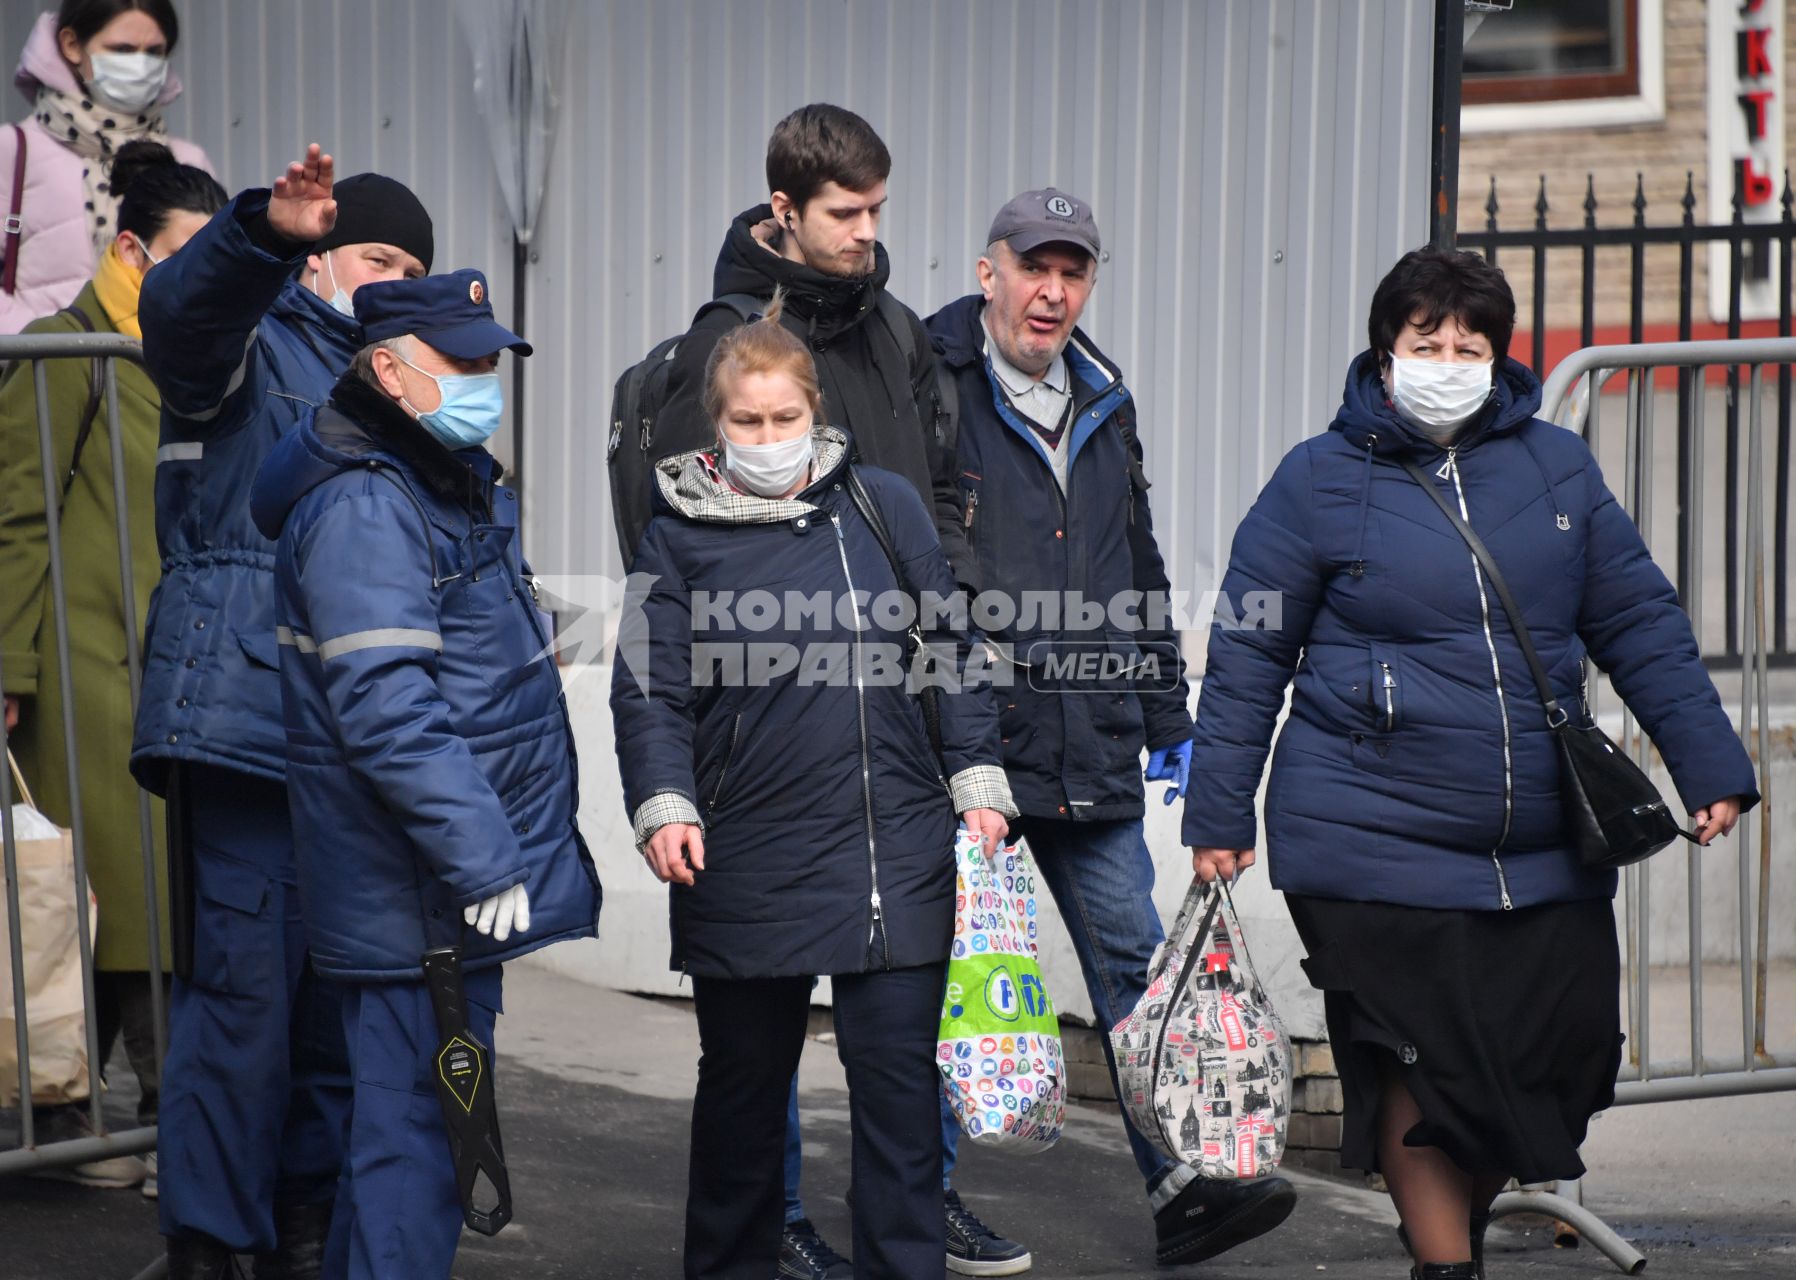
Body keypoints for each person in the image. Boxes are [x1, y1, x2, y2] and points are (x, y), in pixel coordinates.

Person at [1184, 246, 1759, 1280]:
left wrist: (1705, 759)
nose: (1445, 359)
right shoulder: (1315, 478)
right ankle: (1446, 1266)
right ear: (1383, 350)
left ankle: (1446, 1235)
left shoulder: (1555, 466)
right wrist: (1218, 810)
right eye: (1425, 341)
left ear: (1497, 357)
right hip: (1366, 836)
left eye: (1468, 344)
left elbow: (1636, 617)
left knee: (1558, 1057)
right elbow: (1246, 649)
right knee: (1419, 1060)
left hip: (1539, 838)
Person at [626, 101, 994, 1277]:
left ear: (813, 416)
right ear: (714, 424)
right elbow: (649, 689)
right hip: (747, 855)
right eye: (748, 420)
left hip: (893, 849)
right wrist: (665, 801)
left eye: (788, 417)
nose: (770, 435)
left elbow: (945, 645)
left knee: (895, 1109)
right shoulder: (674, 534)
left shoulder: (881, 507)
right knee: (740, 1103)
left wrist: (975, 767)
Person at [925, 187, 1298, 1269]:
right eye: (1030, 266)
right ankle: (923, 1196)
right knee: (967, 981)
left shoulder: (1103, 394)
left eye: (1071, 271)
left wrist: (1165, 713)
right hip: (974, 743)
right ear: (986, 270)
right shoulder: (932, 380)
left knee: (1135, 969)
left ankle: (1181, 1182)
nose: (1050, 291)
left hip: (1087, 735)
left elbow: (1135, 567)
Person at [248, 267, 601, 1280]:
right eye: (464, 360)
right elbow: (388, 710)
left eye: (492, 358)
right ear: (391, 373)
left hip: (427, 889)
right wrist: (483, 858)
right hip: (417, 889)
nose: (486, 377)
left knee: (400, 1141)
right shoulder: (367, 502)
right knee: (419, 1147)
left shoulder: (437, 479)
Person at [129, 143, 432, 1279]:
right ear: (318, 262)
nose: (386, 278)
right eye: (369, 254)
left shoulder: (416, 385)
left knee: (334, 1009)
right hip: (251, 713)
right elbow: (184, 315)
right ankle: (211, 1238)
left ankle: (303, 1221)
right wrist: (266, 232)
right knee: (244, 996)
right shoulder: (249, 347)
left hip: (366, 735)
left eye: (408, 263)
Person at [0, 138, 221, 1194]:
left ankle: (139, 1117)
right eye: (189, 254)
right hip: (85, 668)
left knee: (149, 900)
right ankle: (101, 1116)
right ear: (131, 249)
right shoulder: (67, 346)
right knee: (113, 900)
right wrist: (9, 666)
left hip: (173, 660)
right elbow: (17, 519)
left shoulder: (196, 350)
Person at [0, 1, 210, 335]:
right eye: (122, 50)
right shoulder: (14, 150)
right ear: (71, 45)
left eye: (154, 52)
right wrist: (44, 343)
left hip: (155, 377)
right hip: (42, 375)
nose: (140, 65)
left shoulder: (188, 162)